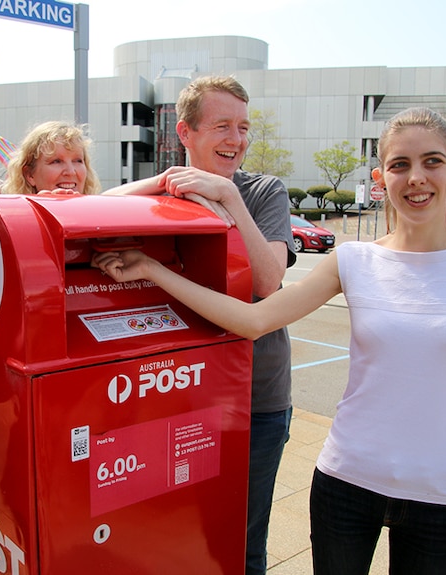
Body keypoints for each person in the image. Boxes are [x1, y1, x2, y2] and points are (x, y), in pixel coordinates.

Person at [95, 107, 446, 575]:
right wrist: (152, 269)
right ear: (381, 177)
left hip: (442, 497)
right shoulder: (353, 259)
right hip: (346, 484)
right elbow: (254, 320)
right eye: (400, 165)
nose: (416, 178)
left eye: (432, 161)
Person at [105, 75, 296, 575]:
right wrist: (167, 181)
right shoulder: (166, 194)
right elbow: (96, 207)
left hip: (256, 400)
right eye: (222, 126)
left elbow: (269, 281)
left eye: (243, 127)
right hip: (177, 393)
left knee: (242, 543)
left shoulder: (263, 191)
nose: (236, 139)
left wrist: (229, 199)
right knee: (179, 533)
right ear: (185, 132)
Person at [2, 120, 102, 195]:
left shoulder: (99, 218)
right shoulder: (14, 219)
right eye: (56, 161)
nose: (71, 172)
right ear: (29, 175)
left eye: (78, 161)